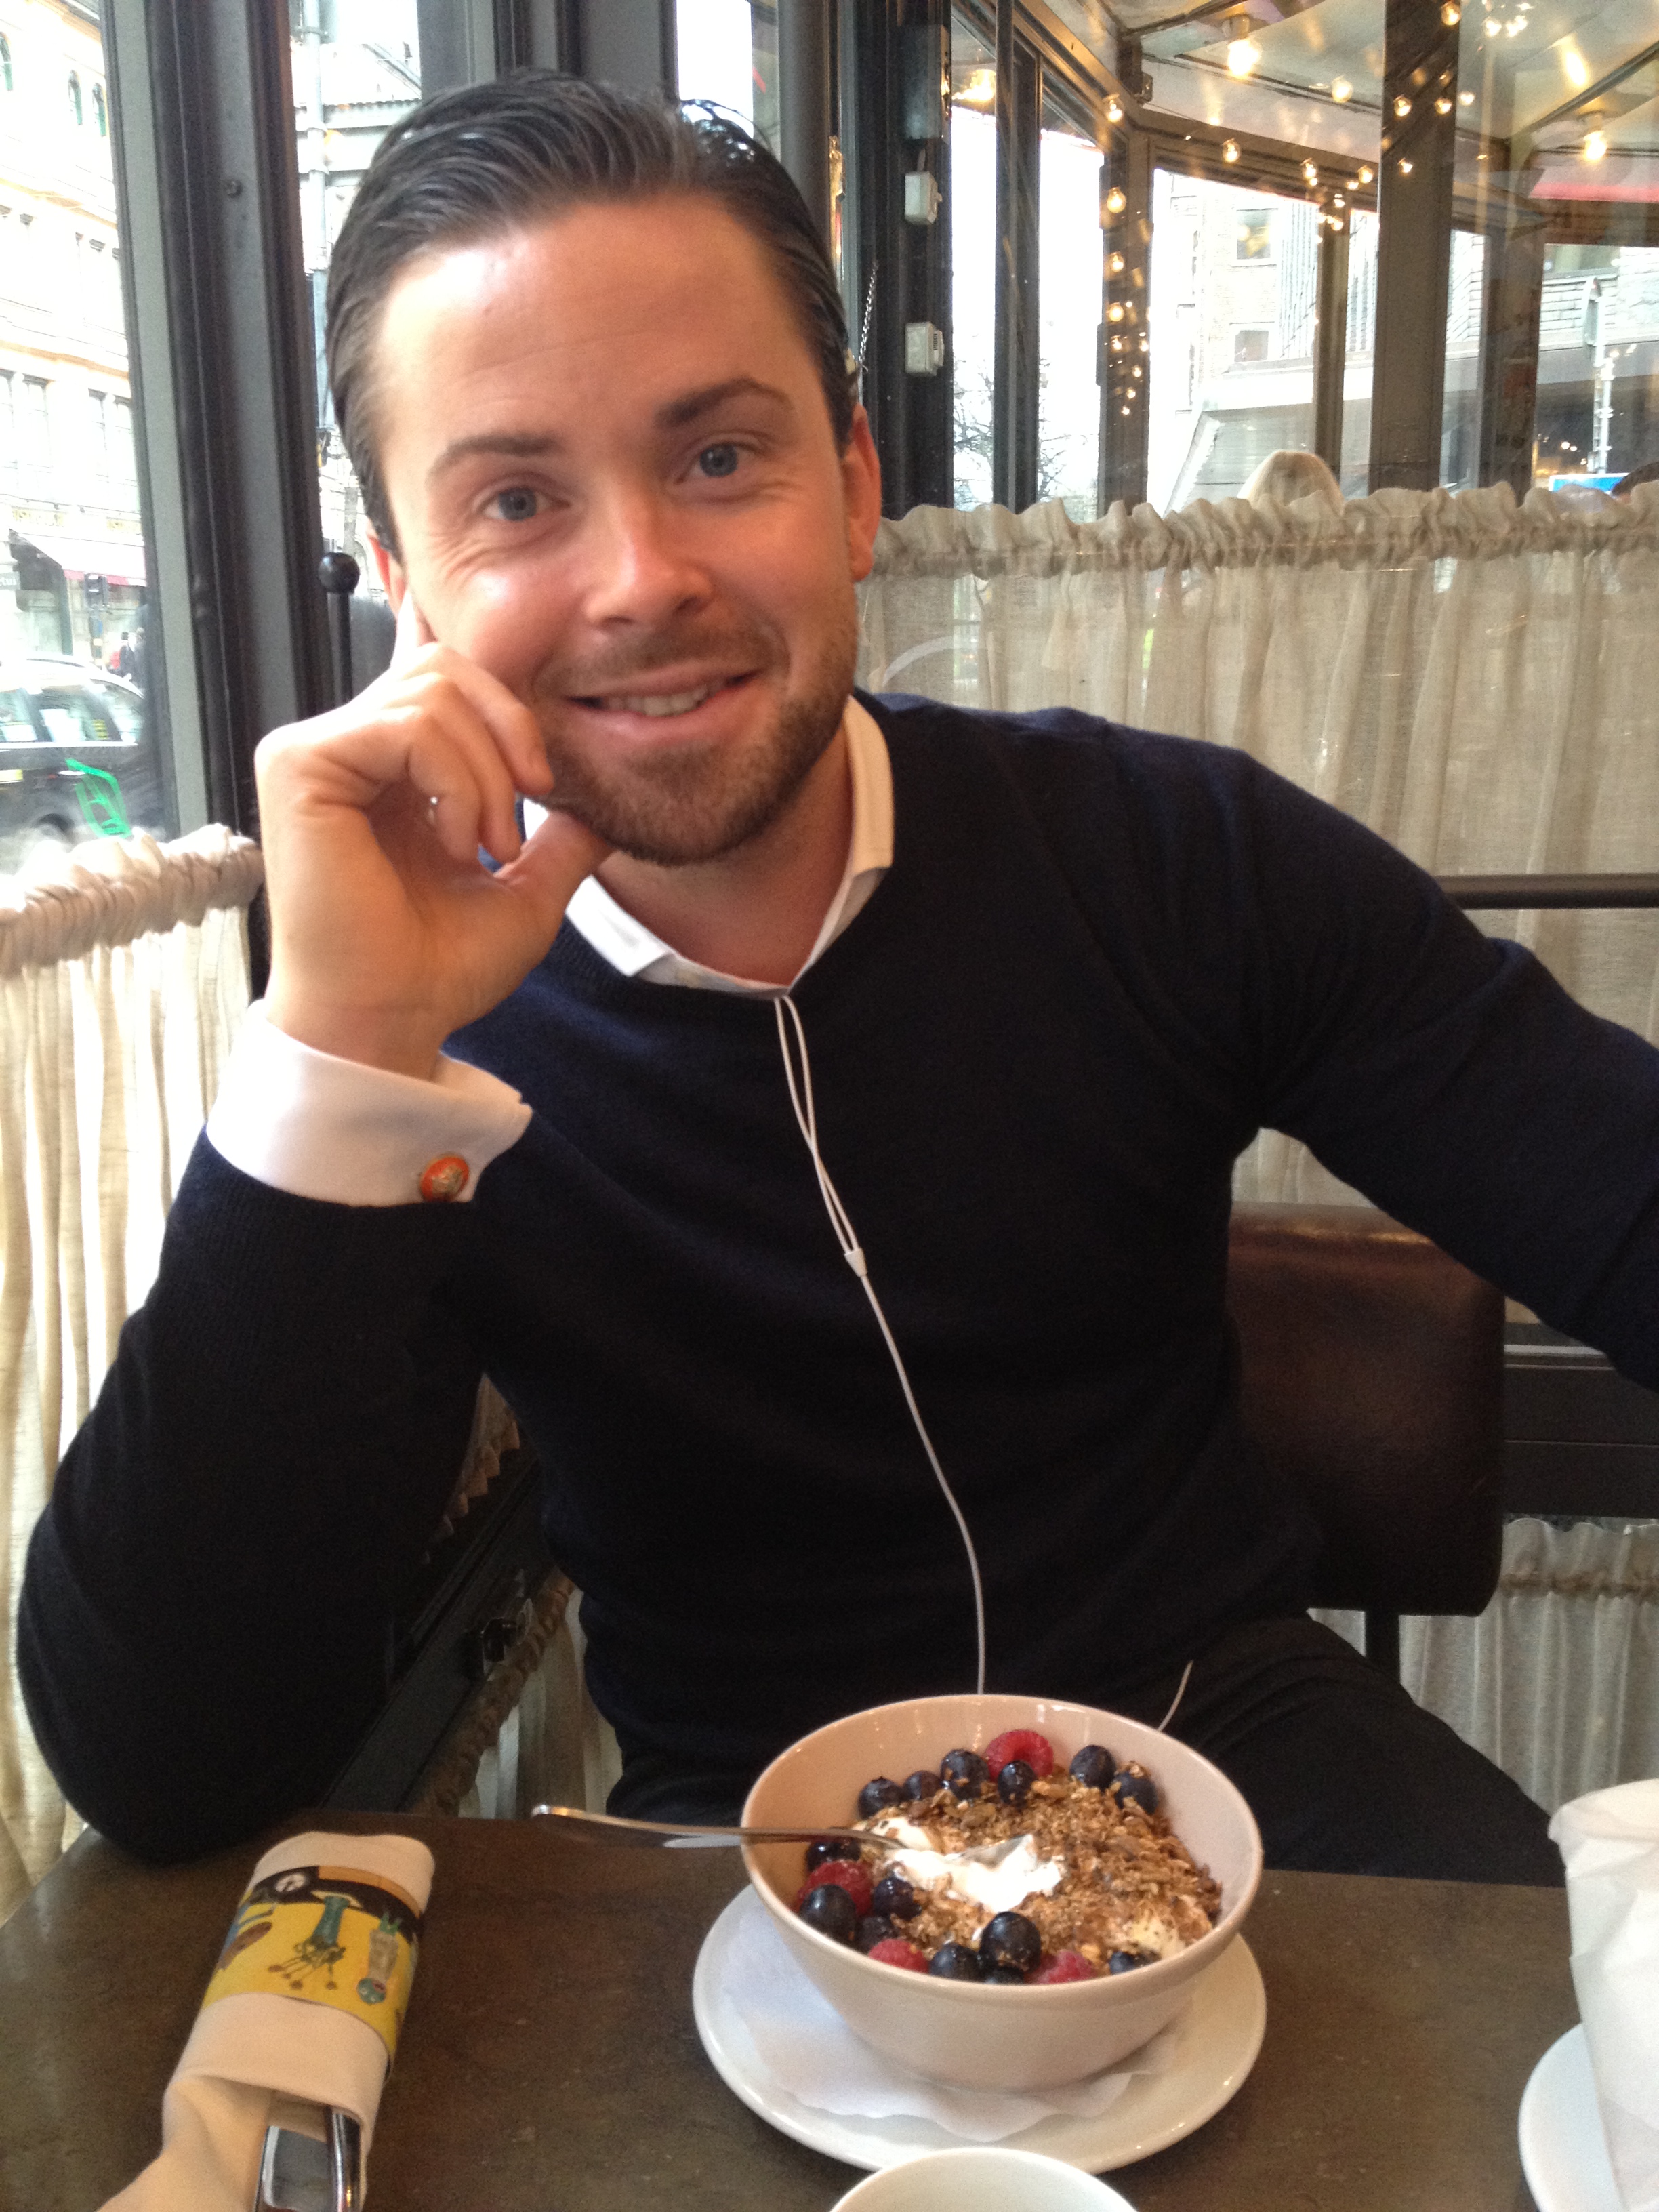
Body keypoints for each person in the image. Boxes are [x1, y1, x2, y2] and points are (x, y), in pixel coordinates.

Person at [19, 77, 1659, 1883]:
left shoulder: (1173, 856)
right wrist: (344, 1050)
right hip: (752, 1842)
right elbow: (165, 1759)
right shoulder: (417, 1041)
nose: (640, 581)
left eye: (720, 459)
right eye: (518, 500)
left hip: (1235, 1742)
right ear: (410, 590)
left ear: (857, 485)